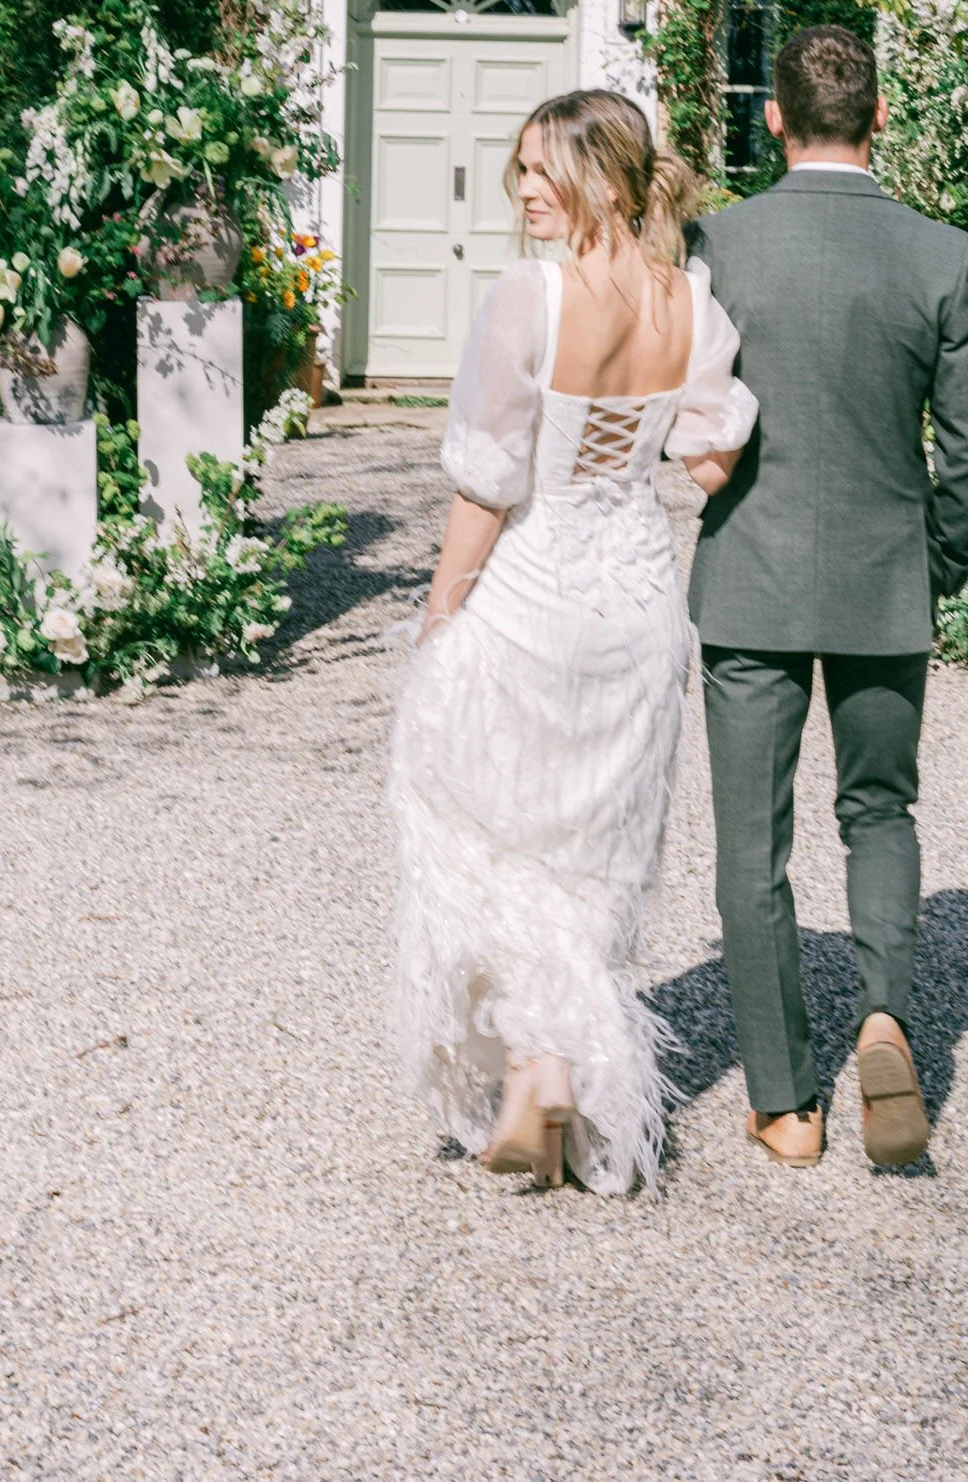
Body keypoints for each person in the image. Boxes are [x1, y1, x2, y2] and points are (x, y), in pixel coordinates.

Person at [389, 90, 759, 1194]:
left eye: (542, 169)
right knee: (592, 857)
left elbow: (488, 481)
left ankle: (543, 1069)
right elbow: (708, 462)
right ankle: (546, 1073)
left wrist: (441, 610)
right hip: (641, 607)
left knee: (476, 828)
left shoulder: (527, 298)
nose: (524, 191)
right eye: (518, 172)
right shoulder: (693, 304)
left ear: (605, 178)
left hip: (533, 600)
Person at [689, 25, 968, 1170]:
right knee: (878, 811)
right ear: (879, 119)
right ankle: (884, 1016)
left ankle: (783, 1100)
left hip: (751, 582)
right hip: (884, 579)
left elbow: (686, 410)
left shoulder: (718, 244)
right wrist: (937, 566)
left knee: (749, 847)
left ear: (773, 118)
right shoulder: (938, 253)